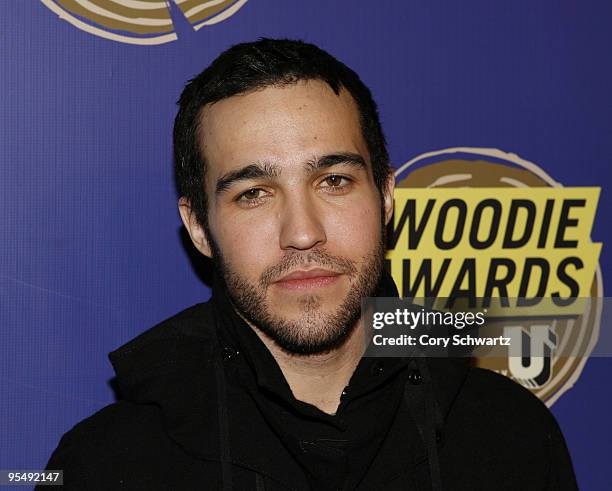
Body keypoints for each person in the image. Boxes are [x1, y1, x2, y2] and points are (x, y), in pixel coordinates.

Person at [43, 38, 578, 490]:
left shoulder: (514, 437)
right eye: (254, 193)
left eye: (335, 181)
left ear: (386, 197)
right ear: (199, 228)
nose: (303, 233)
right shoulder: (104, 466)